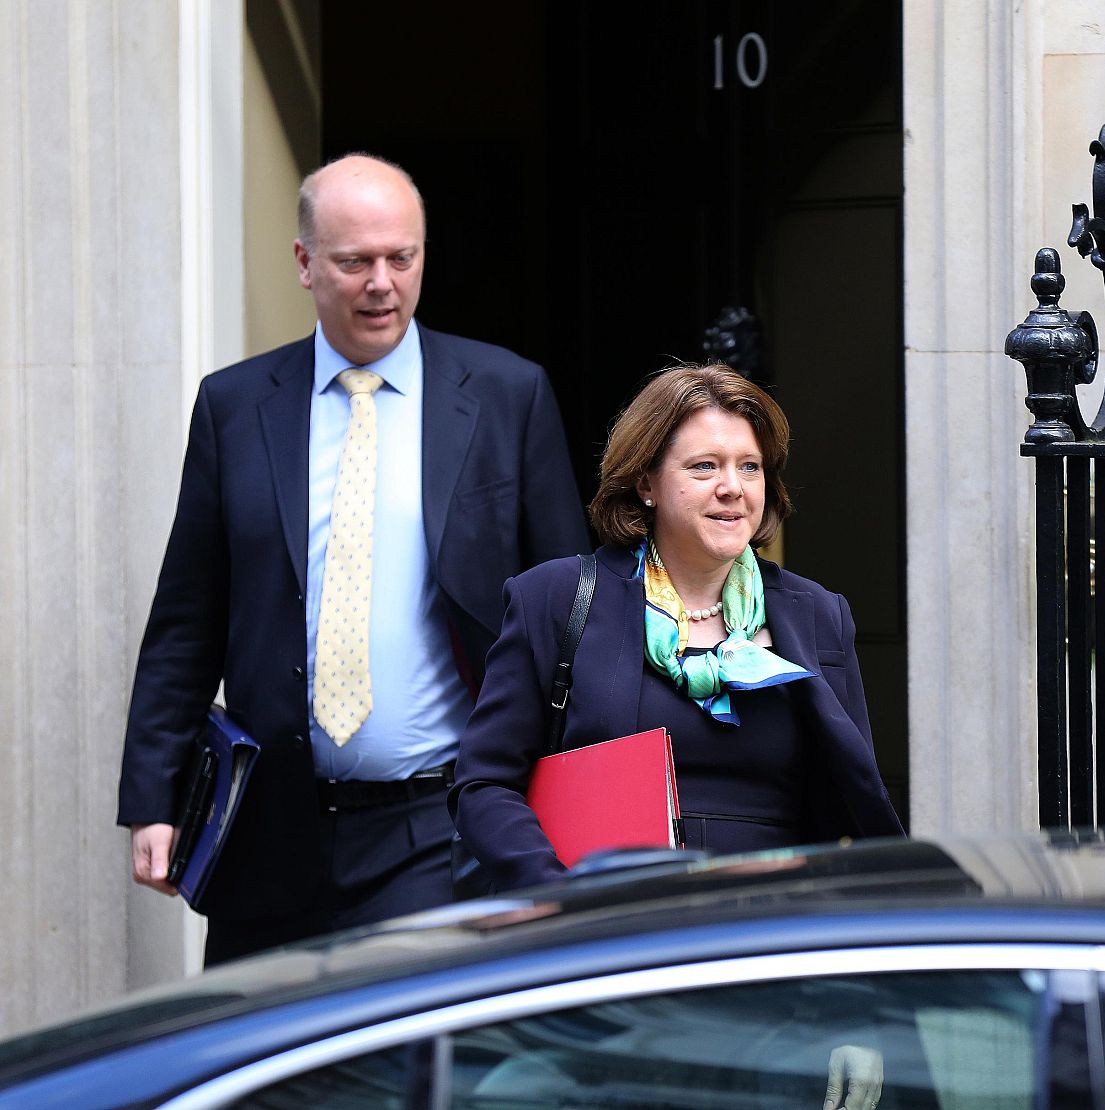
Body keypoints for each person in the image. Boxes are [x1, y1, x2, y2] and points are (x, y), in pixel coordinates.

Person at [117, 153, 589, 964]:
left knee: (417, 1040)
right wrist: (154, 798)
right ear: (305, 263)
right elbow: (187, 620)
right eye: (355, 262)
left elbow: (571, 619)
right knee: (263, 1040)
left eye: (402, 258)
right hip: (268, 833)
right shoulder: (235, 407)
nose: (381, 283)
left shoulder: (507, 396)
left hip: (437, 829)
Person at [450, 364, 904, 891]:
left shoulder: (819, 614)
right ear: (646, 482)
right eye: (704, 466)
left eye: (750, 467)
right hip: (616, 916)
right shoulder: (553, 599)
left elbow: (853, 800)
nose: (732, 487)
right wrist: (562, 895)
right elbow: (484, 785)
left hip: (773, 920)